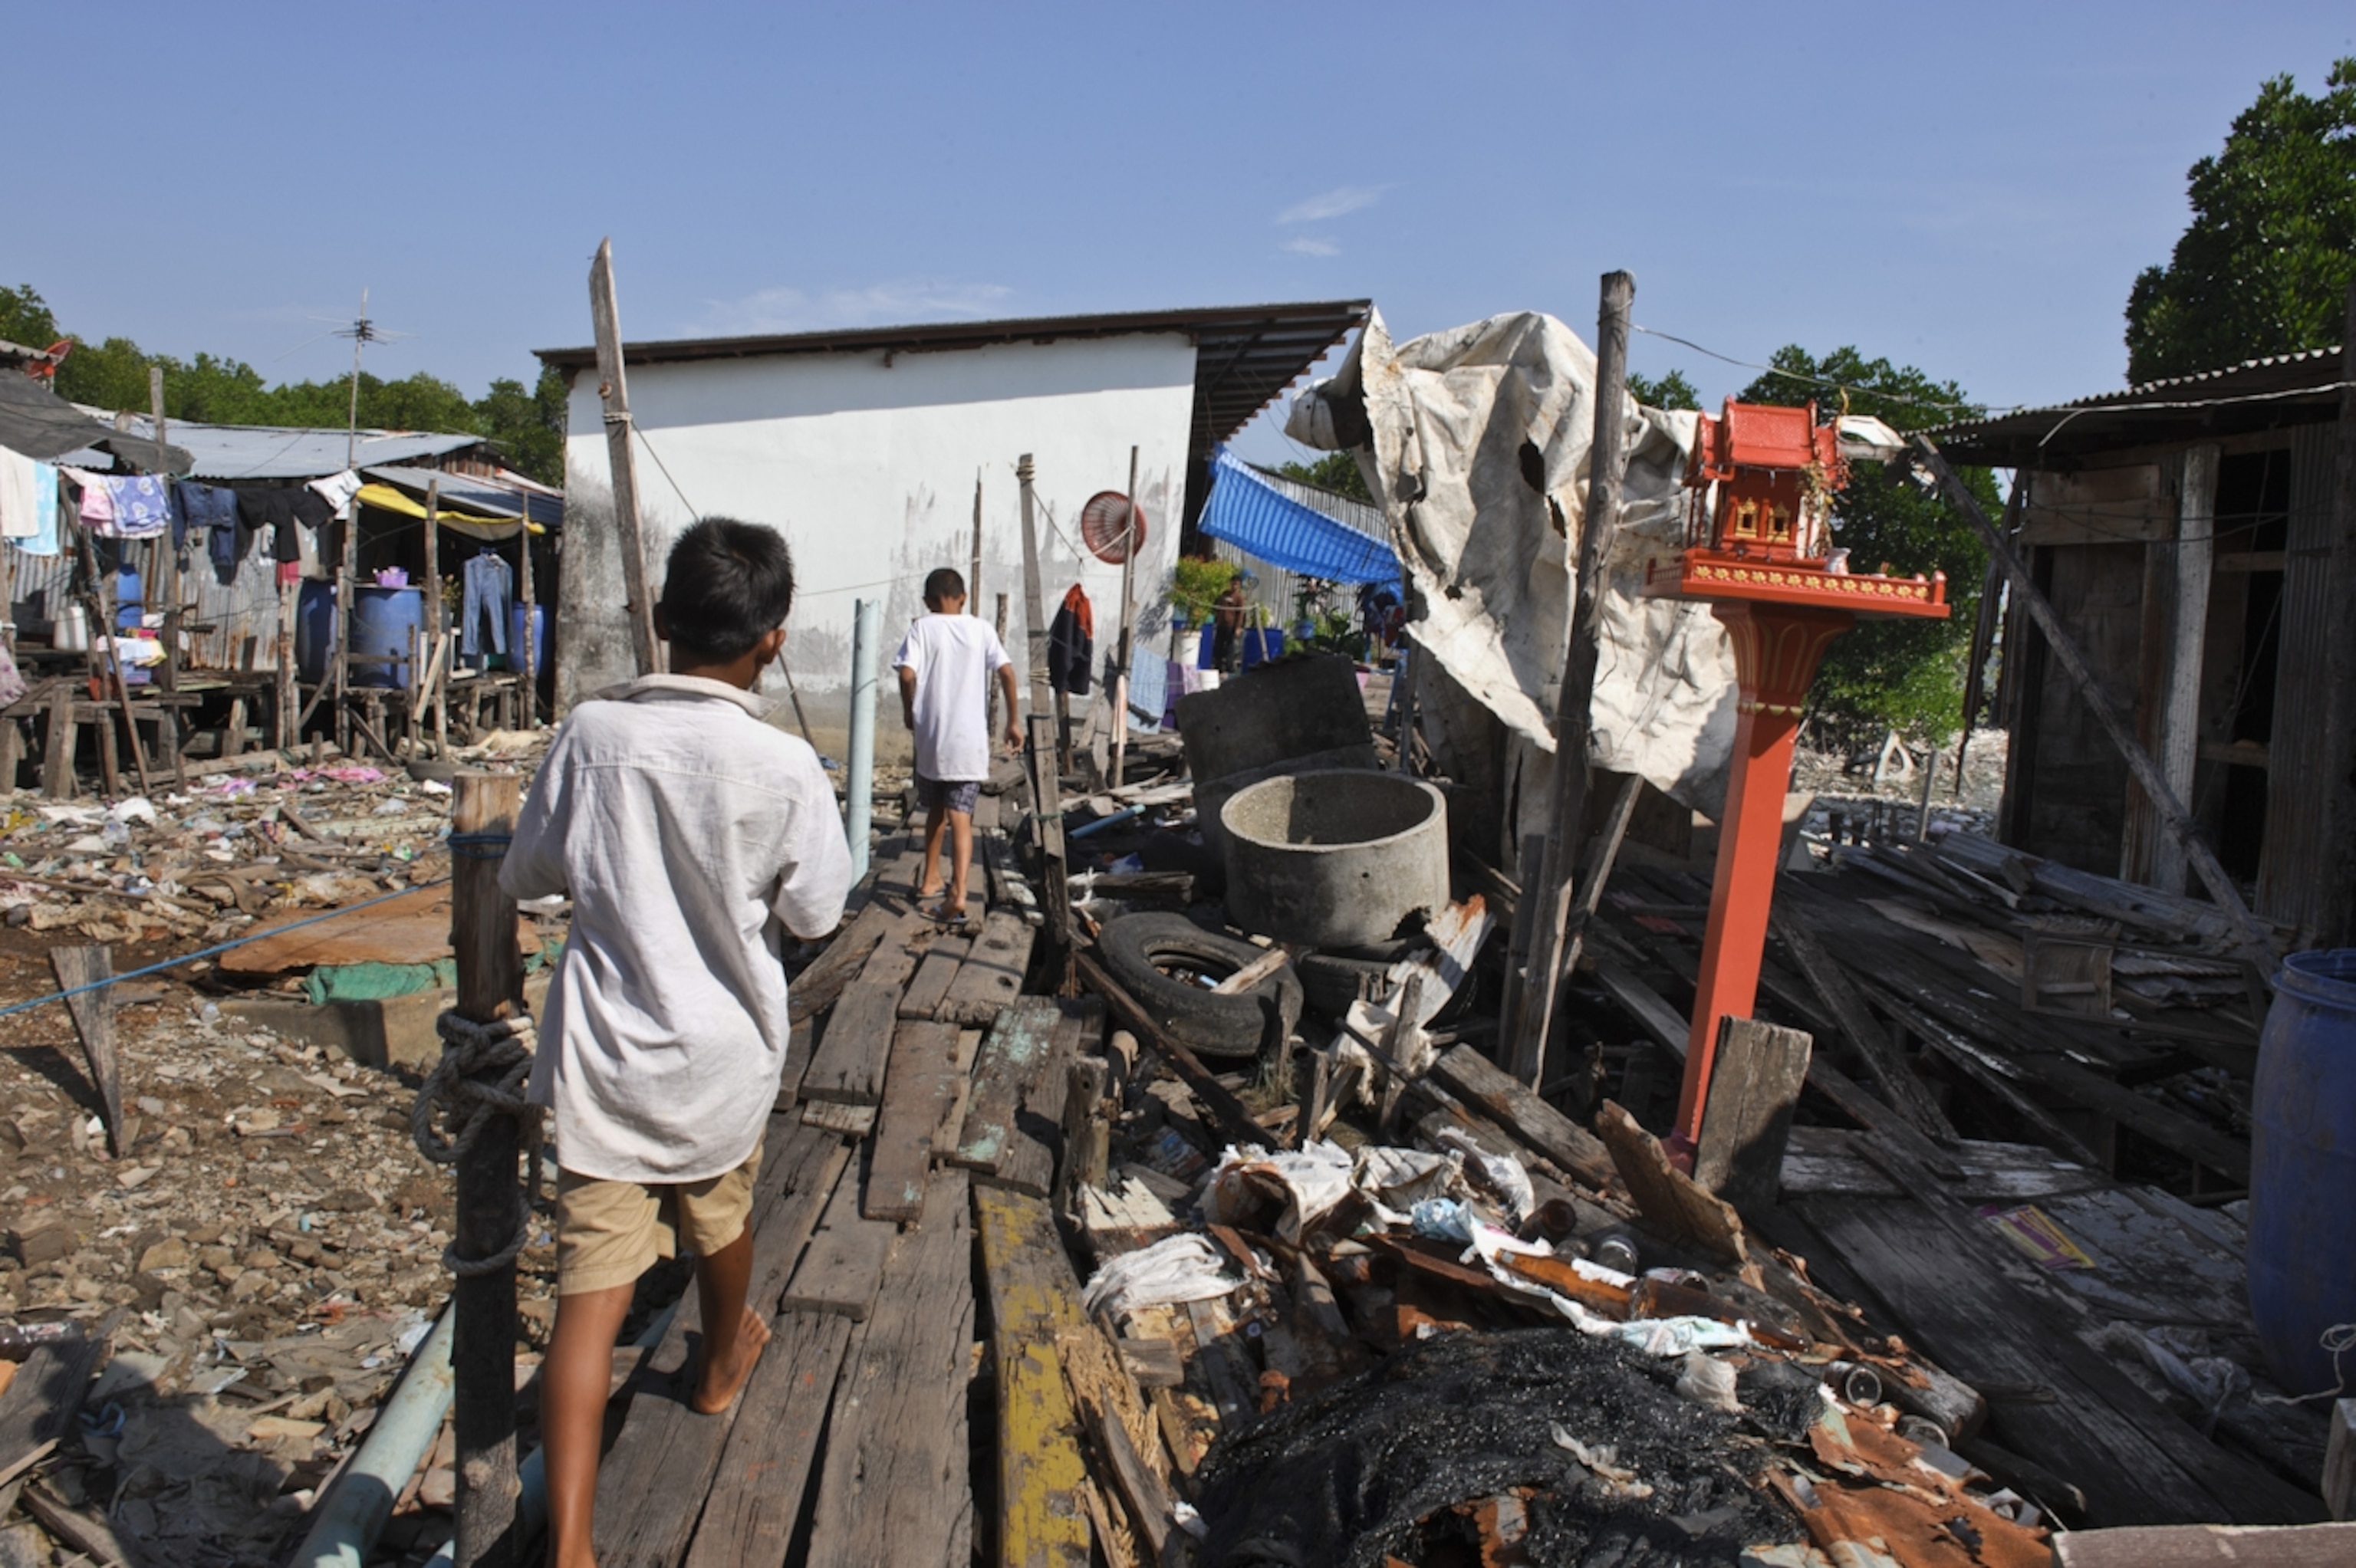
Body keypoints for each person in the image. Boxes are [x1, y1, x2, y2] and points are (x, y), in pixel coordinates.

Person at [502, 517, 854, 1568]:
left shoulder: (594, 734)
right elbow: (818, 914)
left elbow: (527, 875)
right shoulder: (784, 764)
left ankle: (570, 1546)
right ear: (775, 640)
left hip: (606, 1059)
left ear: (660, 623)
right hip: (721, 1057)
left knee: (588, 1296)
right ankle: (715, 1367)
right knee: (721, 1211)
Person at [896, 567, 1021, 920]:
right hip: (968, 742)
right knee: (961, 817)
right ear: (963, 598)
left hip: (933, 739)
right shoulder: (980, 629)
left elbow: (907, 673)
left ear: (927, 601)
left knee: (934, 809)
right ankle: (959, 892)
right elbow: (1008, 673)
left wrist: (909, 711)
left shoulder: (921, 627)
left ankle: (930, 878)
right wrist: (1013, 721)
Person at [1212, 579, 1248, 675]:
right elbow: (1219, 607)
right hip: (1221, 623)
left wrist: (1238, 627)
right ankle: (1218, 664)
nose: (1234, 586)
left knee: (1229, 646)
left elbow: (1241, 613)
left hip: (1231, 625)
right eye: (1233, 583)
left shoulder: (1239, 598)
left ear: (1239, 585)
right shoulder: (1225, 594)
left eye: (1236, 584)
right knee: (1218, 644)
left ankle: (1229, 666)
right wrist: (1217, 620)